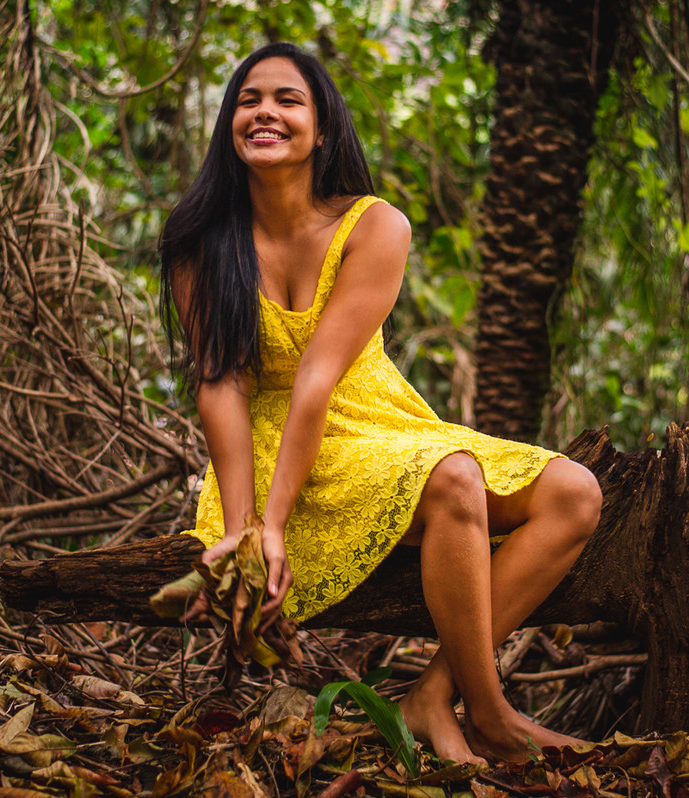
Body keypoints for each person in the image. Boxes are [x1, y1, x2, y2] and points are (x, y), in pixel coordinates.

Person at [157, 41, 602, 765]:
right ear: (228, 124)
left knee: (575, 494)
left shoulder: (373, 225)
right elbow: (222, 384)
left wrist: (270, 522)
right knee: (455, 477)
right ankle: (490, 714)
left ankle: (434, 696)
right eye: (249, 99)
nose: (265, 112)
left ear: (323, 128)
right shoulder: (202, 243)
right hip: (271, 445)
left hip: (371, 420)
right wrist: (246, 528)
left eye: (287, 100)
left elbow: (319, 380)